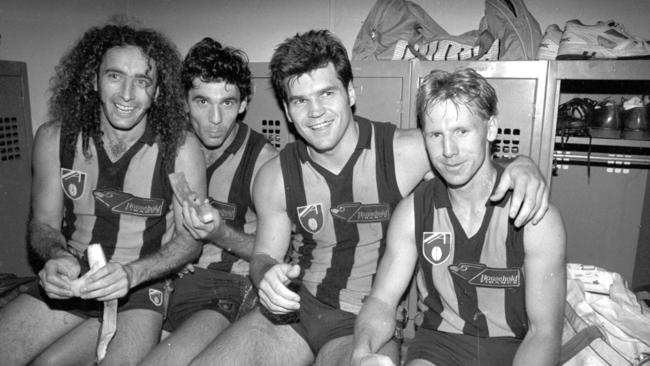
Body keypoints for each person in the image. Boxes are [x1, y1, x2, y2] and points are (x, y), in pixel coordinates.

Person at [189, 30, 550, 366]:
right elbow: (265, 254)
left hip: (364, 320)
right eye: (300, 100)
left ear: (350, 93)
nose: (315, 112)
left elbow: (465, 155)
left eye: (327, 94)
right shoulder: (275, 177)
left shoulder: (400, 152)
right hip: (295, 312)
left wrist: (522, 165)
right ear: (286, 111)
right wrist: (266, 273)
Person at [0, 21, 206, 365]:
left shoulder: (182, 149)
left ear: (157, 92)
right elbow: (43, 224)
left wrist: (132, 274)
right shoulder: (54, 139)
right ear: (94, 80)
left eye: (142, 81)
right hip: (74, 277)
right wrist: (57, 257)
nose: (127, 94)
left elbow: (190, 240)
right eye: (114, 76)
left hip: (142, 285)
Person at [352, 68, 566, 366]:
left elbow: (544, 332)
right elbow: (382, 301)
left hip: (516, 349)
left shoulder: (535, 217)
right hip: (439, 346)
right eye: (435, 135)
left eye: (461, 132)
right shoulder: (413, 213)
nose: (448, 151)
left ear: (491, 129)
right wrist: (361, 351)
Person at [140, 37, 278, 366]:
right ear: (184, 102)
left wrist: (219, 234)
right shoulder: (168, 147)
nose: (215, 118)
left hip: (226, 284)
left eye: (227, 103)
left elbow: (277, 251)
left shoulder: (264, 161)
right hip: (166, 278)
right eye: (202, 101)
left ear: (243, 103)